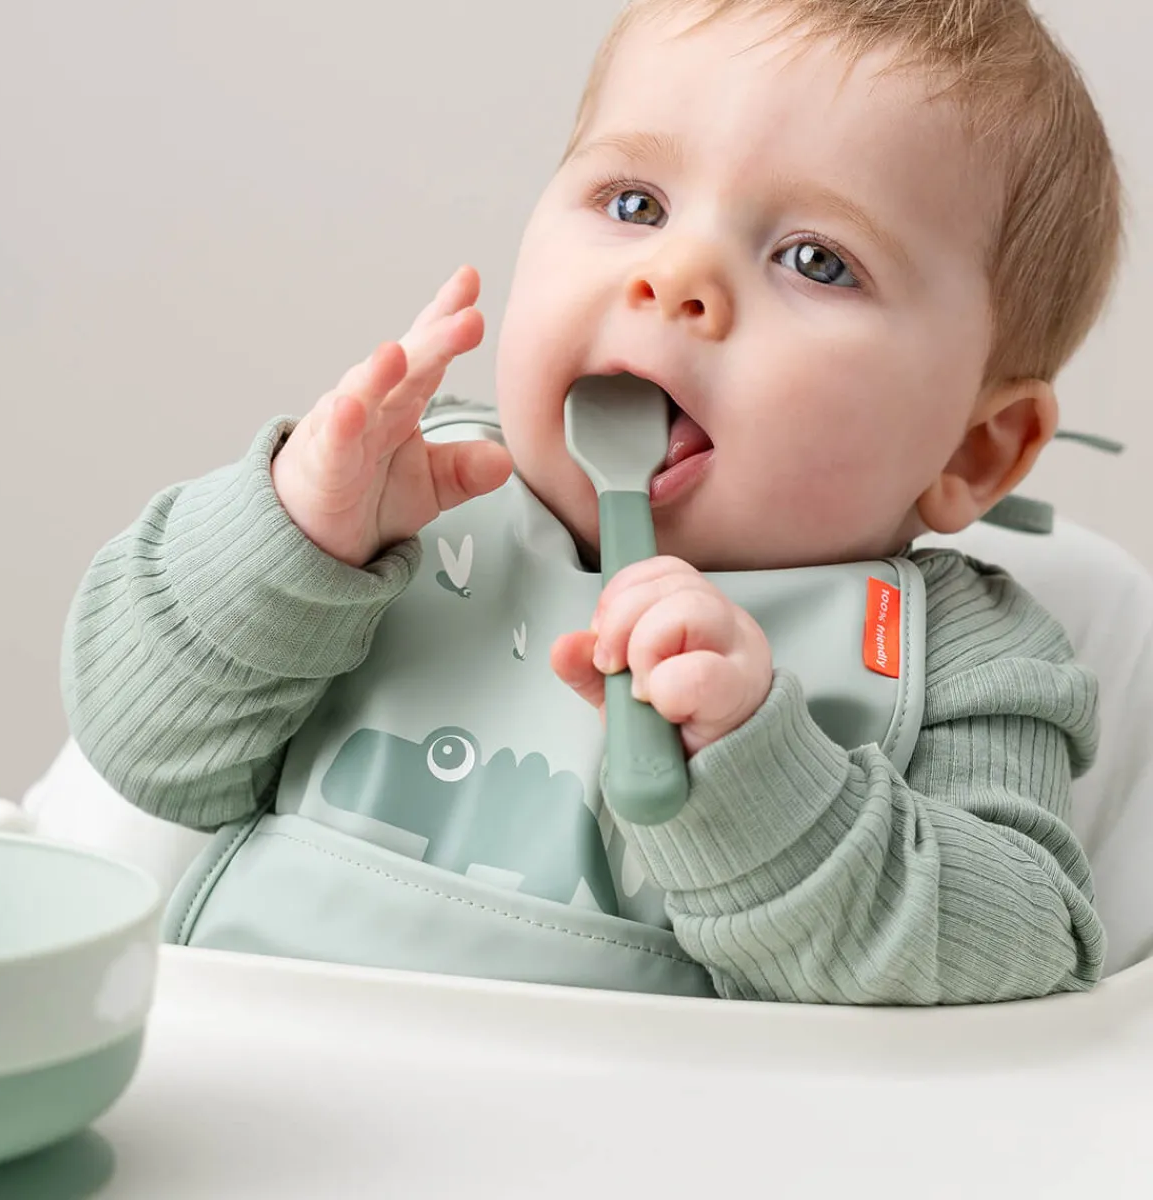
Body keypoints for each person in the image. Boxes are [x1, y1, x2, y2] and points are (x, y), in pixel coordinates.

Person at [63, 0, 1123, 1003]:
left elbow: (1024, 950)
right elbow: (144, 754)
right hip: (261, 1086)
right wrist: (291, 542)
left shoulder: (957, 659)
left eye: (816, 261)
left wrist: (760, 783)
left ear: (974, 449)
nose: (677, 273)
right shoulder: (399, 502)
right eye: (635, 204)